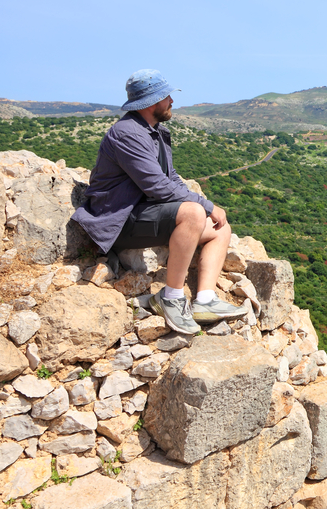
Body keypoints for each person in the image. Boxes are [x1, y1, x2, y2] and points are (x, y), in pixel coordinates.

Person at [72, 69, 246, 334]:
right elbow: (158, 187)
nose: (171, 102)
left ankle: (205, 300)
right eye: (167, 97)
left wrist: (208, 208)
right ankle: (171, 297)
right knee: (195, 214)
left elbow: (171, 177)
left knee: (221, 228)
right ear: (153, 102)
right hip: (119, 219)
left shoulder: (155, 131)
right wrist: (205, 206)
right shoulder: (127, 134)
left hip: (145, 212)